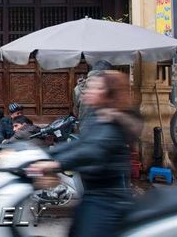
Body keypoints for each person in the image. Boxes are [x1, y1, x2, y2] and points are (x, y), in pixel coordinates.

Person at [28, 71, 142, 237]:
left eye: (95, 88)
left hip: (108, 201)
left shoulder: (112, 121)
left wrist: (56, 164)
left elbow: (92, 151)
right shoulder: (97, 117)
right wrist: (44, 154)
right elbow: (79, 143)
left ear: (108, 94)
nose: (87, 91)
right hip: (91, 195)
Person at [73, 60, 112, 125]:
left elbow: (75, 111)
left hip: (84, 127)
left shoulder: (78, 88)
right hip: (104, 126)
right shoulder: (110, 85)